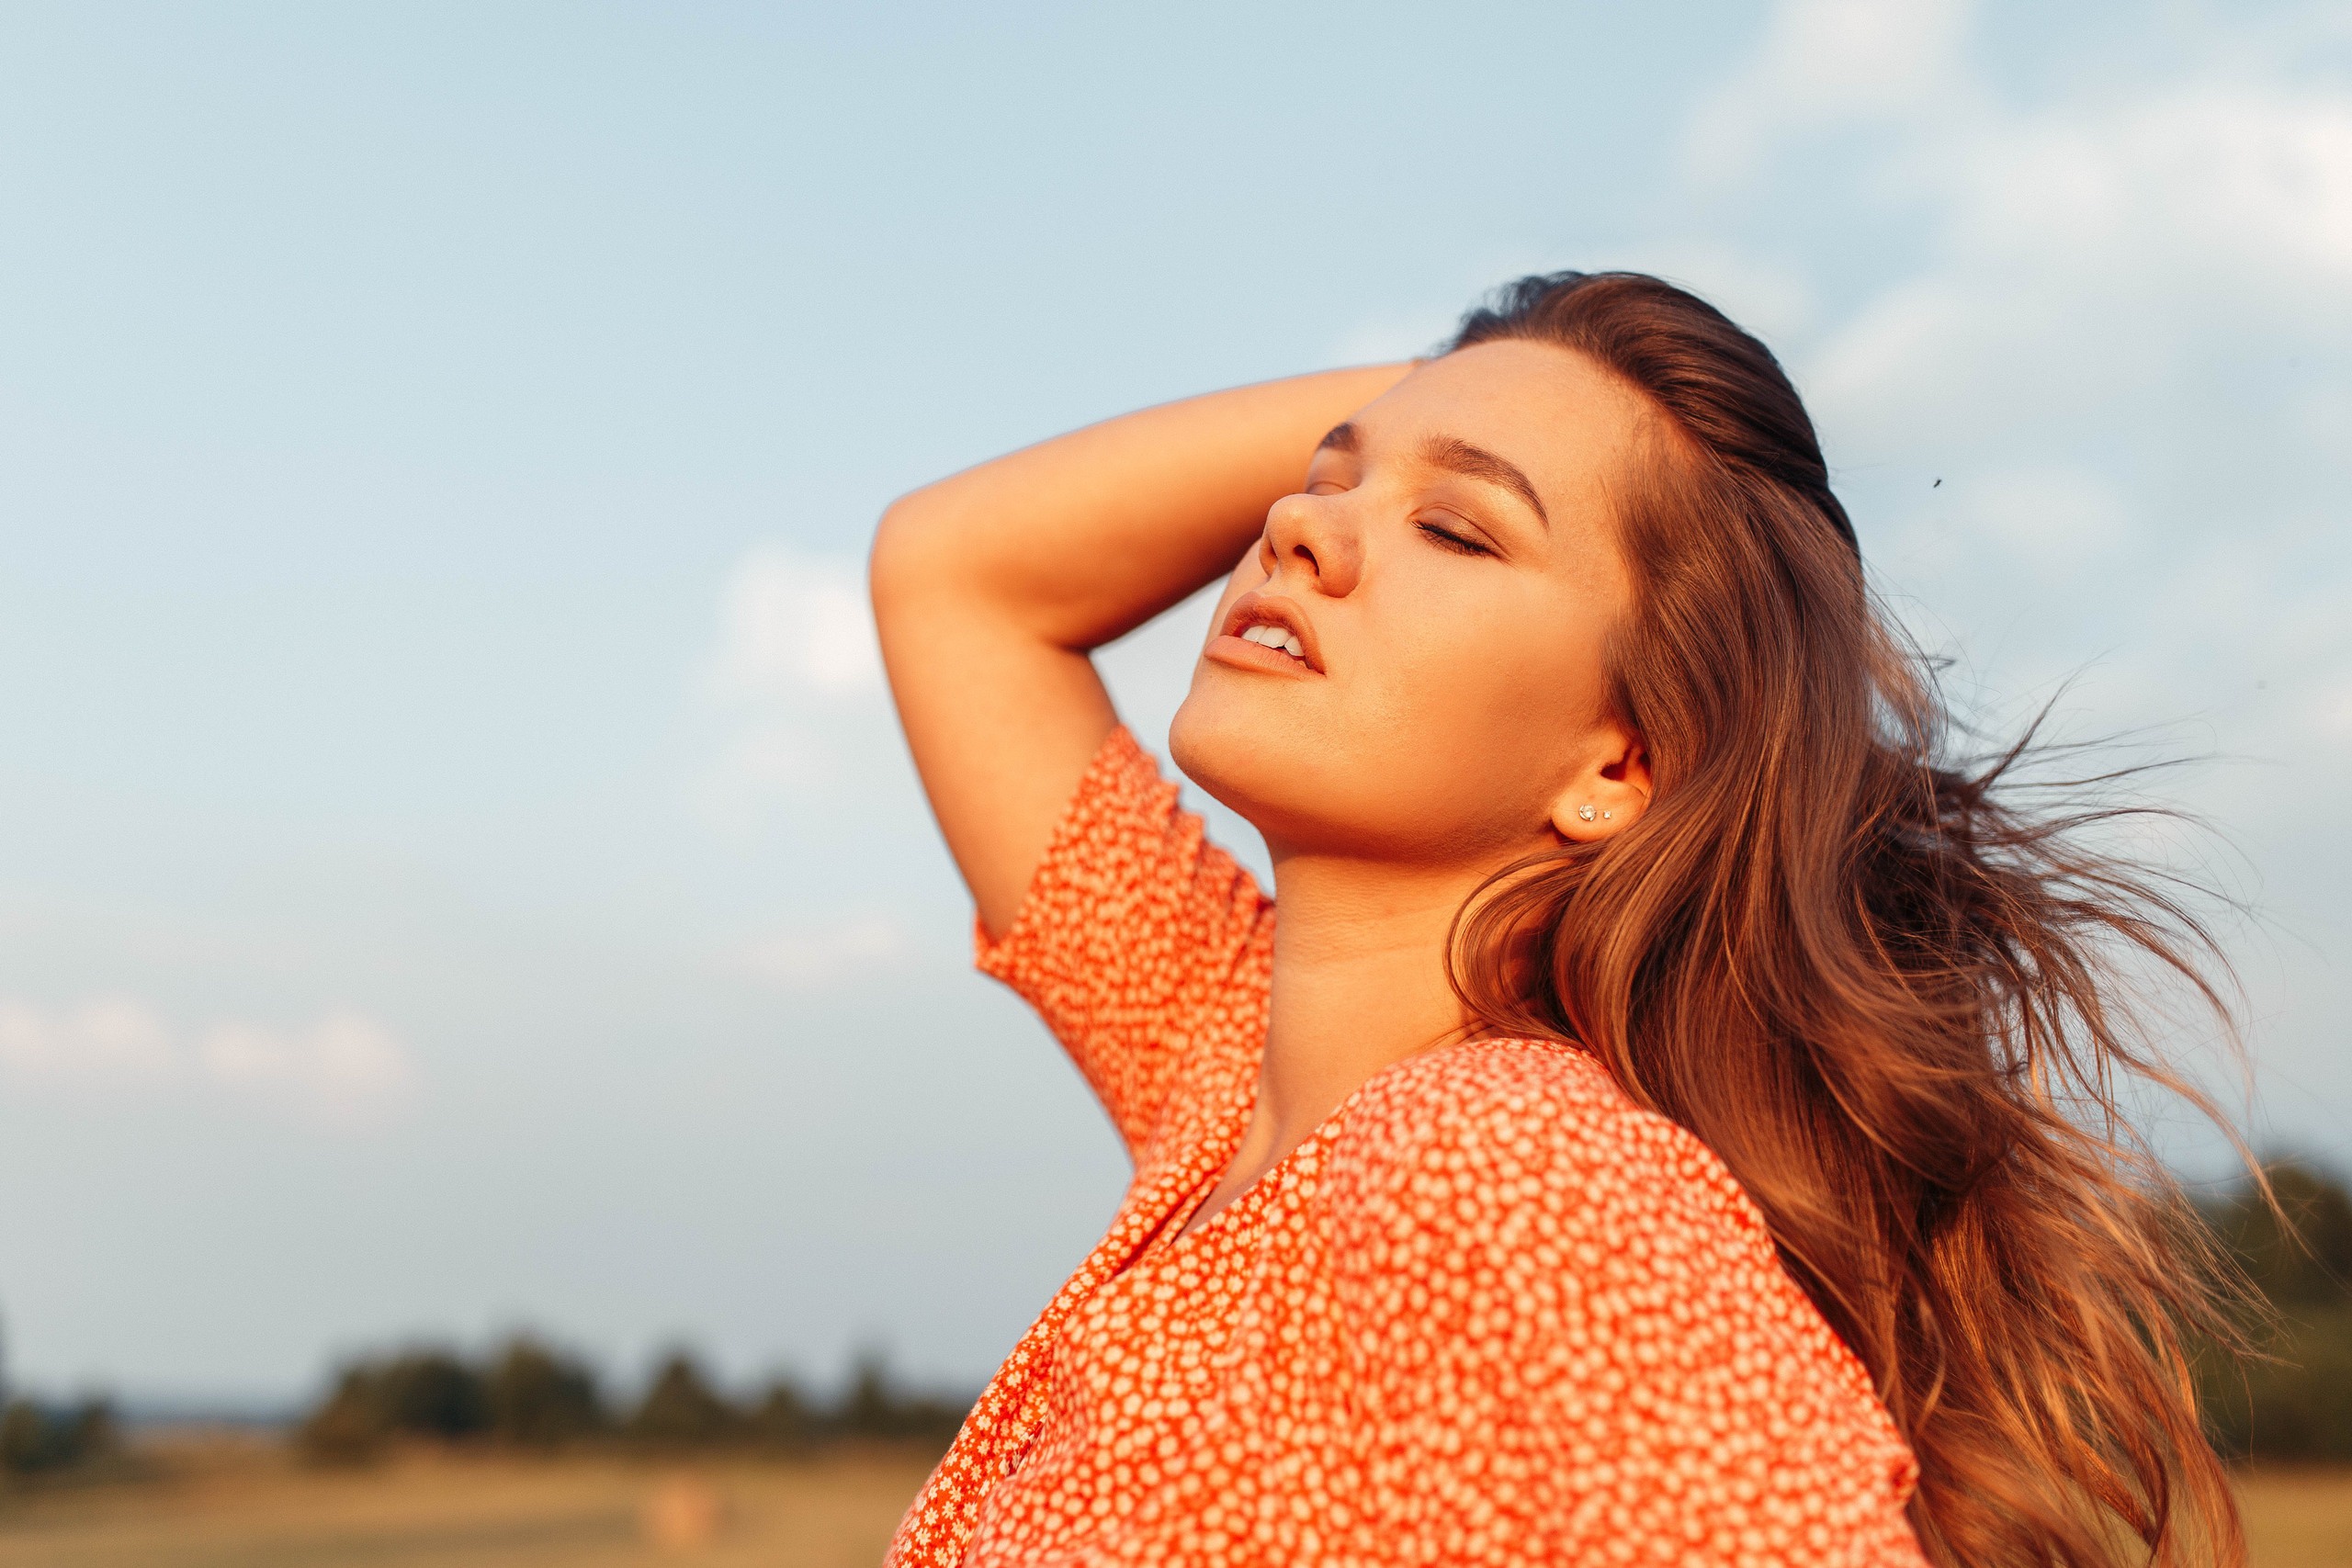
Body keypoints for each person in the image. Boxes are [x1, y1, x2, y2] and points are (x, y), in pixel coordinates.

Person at [868, 272, 2245, 1567]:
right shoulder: (1229, 1080)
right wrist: (1468, 388)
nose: (1297, 527)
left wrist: (1465, 399)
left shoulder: (1510, 1171)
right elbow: (956, 576)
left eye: (1457, 528)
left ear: (1619, 767)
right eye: (1322, 478)